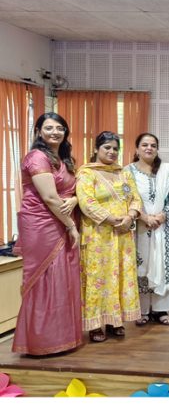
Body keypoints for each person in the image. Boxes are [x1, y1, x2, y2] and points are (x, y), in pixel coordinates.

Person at [12, 113, 82, 355]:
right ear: (38, 131)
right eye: (49, 128)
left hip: (61, 220)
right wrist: (71, 226)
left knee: (63, 278)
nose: (55, 132)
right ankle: (40, 341)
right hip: (41, 225)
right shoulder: (37, 157)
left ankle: (62, 338)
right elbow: (50, 198)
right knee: (45, 279)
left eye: (60, 128)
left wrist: (74, 199)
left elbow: (71, 191)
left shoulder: (63, 159)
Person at [76, 131, 143, 342]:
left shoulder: (124, 173)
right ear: (96, 149)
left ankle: (116, 320)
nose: (112, 152)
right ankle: (95, 324)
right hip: (99, 236)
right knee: (99, 278)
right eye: (107, 148)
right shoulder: (87, 173)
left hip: (123, 236)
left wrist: (131, 216)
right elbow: (87, 203)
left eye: (115, 148)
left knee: (121, 276)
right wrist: (114, 220)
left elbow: (135, 199)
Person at [126, 133, 169, 326]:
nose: (149, 148)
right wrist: (143, 216)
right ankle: (142, 311)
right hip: (138, 227)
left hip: (164, 226)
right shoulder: (127, 172)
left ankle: (161, 310)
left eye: (153, 145)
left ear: (157, 149)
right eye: (144, 145)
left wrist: (162, 215)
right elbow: (124, 197)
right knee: (141, 267)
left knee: (162, 264)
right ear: (136, 149)